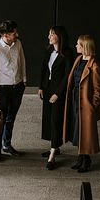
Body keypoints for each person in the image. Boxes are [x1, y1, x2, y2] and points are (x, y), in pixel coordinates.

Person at [63, 35, 100, 172]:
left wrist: (93, 105)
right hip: (75, 100)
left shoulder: (94, 65)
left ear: (85, 46)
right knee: (77, 130)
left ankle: (86, 161)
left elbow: (98, 89)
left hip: (86, 104)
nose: (76, 46)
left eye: (78, 44)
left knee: (84, 131)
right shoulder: (79, 59)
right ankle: (81, 158)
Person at [0, 20, 26, 162]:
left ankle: (7, 144)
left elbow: (22, 61)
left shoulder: (18, 44)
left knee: (11, 118)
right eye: (13, 33)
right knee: (0, 120)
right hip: (3, 89)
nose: (17, 34)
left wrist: (24, 79)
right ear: (5, 35)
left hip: (18, 87)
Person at [38, 26, 70, 170]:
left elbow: (67, 76)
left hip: (58, 91)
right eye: (49, 34)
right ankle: (54, 146)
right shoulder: (49, 50)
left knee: (56, 120)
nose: (49, 36)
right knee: (49, 118)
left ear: (59, 36)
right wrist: (40, 87)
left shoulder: (68, 53)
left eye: (52, 34)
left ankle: (52, 156)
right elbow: (43, 69)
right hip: (47, 87)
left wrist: (58, 93)